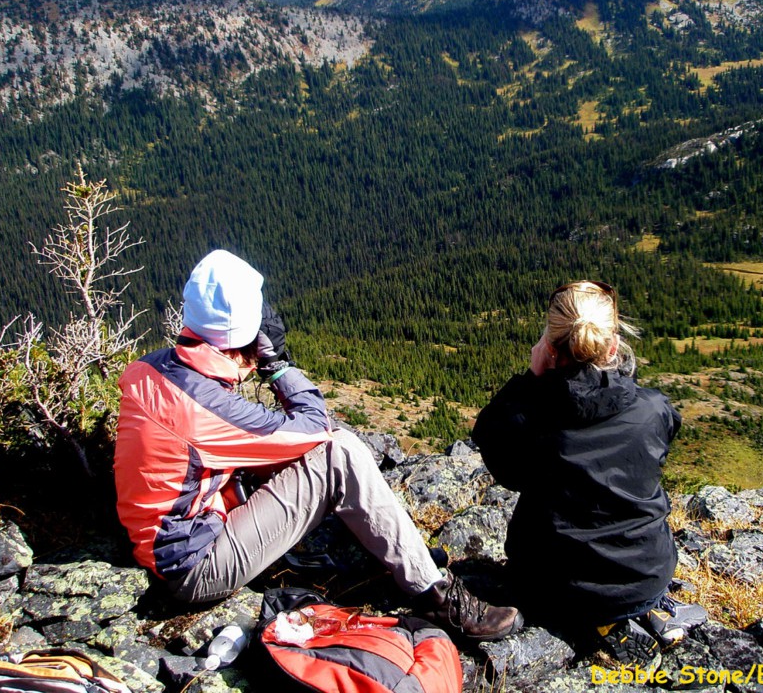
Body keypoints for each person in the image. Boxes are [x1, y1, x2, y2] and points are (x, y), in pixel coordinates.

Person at [114, 249, 523, 641]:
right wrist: (279, 366)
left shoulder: (150, 368)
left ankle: (398, 553)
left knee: (294, 455)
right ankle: (435, 595)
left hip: (165, 536)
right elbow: (315, 427)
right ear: (245, 335)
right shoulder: (202, 408)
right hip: (195, 567)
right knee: (338, 452)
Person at [471, 280, 705, 666]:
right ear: (613, 346)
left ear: (549, 346)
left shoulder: (525, 420)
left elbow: (499, 458)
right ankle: (640, 614)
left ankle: (593, 626)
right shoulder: (653, 410)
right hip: (645, 577)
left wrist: (531, 379)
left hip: (550, 587)